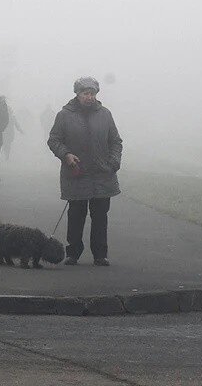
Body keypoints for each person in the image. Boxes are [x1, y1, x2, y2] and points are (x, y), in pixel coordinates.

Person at [47, 76, 123, 267]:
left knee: (100, 217)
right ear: (78, 94)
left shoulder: (105, 114)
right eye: (86, 93)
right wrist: (66, 155)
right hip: (76, 173)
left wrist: (114, 162)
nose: (90, 97)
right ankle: (73, 253)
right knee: (76, 215)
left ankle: (100, 255)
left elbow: (115, 141)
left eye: (93, 93)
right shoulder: (64, 115)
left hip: (102, 174)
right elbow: (54, 140)